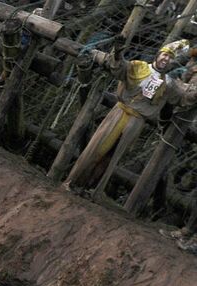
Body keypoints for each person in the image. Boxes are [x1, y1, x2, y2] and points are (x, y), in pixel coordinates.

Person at [63, 38, 197, 196]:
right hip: (119, 113)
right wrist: (118, 53)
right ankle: (73, 181)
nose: (165, 59)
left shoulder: (169, 84)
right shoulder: (138, 67)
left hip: (137, 120)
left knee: (113, 156)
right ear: (158, 55)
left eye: (170, 58)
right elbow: (119, 67)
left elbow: (185, 97)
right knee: (96, 148)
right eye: (164, 55)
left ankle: (91, 190)